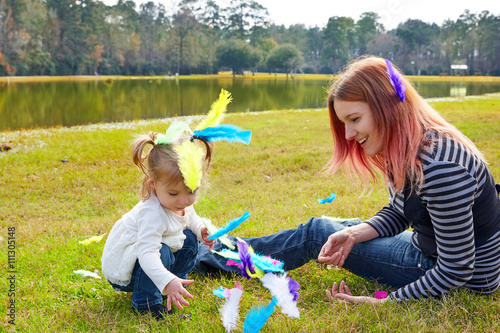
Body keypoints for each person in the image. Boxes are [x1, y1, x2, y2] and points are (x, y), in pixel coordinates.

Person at [194, 55, 500, 304]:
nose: (349, 135)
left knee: (317, 232)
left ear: (388, 106)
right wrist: (353, 235)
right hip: (434, 249)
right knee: (338, 228)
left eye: (354, 119)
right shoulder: (413, 145)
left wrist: (386, 303)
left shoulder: (440, 167)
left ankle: (206, 257)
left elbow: (457, 267)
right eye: (344, 123)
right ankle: (218, 250)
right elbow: (399, 213)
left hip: (462, 276)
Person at [101, 128, 216, 320]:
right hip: (125, 270)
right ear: (152, 184)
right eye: (174, 193)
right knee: (160, 251)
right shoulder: (151, 214)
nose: (183, 201)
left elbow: (190, 216)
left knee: (189, 239)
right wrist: (166, 279)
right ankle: (146, 303)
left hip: (152, 258)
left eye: (192, 191)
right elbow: (147, 255)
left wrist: (201, 230)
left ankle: (171, 285)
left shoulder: (180, 202)